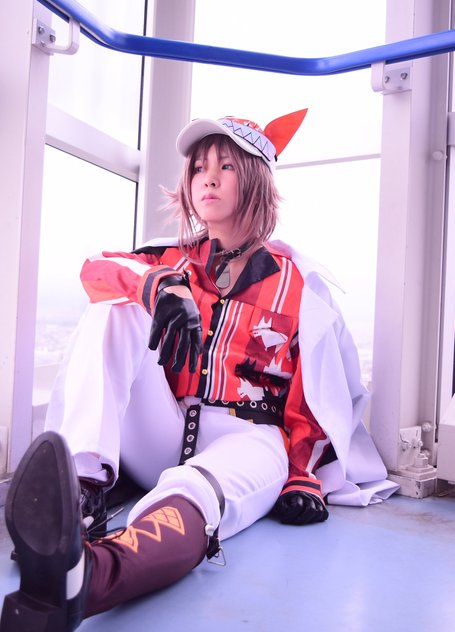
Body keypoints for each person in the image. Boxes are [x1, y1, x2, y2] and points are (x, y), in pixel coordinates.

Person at [0, 110, 398, 631]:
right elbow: (96, 269)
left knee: (197, 490)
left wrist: (302, 477)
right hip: (164, 426)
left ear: (255, 180)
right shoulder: (169, 260)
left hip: (248, 438)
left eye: (226, 166)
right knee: (115, 307)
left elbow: (315, 395)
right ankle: (81, 494)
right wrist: (155, 286)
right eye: (198, 168)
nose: (208, 178)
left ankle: (85, 579)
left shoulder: (300, 286)